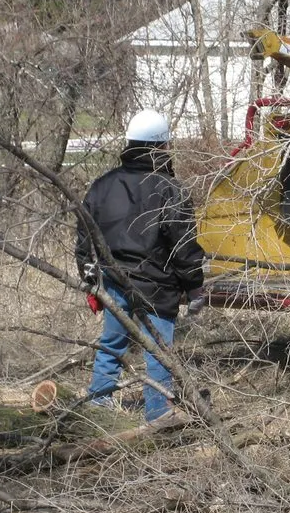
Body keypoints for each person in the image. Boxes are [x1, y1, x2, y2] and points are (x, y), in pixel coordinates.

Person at [75, 108, 205, 422]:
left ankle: (98, 406)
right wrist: (195, 287)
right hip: (157, 284)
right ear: (161, 146)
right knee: (158, 349)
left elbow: (85, 235)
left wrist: (90, 277)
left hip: (113, 278)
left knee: (112, 343)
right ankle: (159, 414)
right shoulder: (169, 189)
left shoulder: (102, 185)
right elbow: (183, 247)